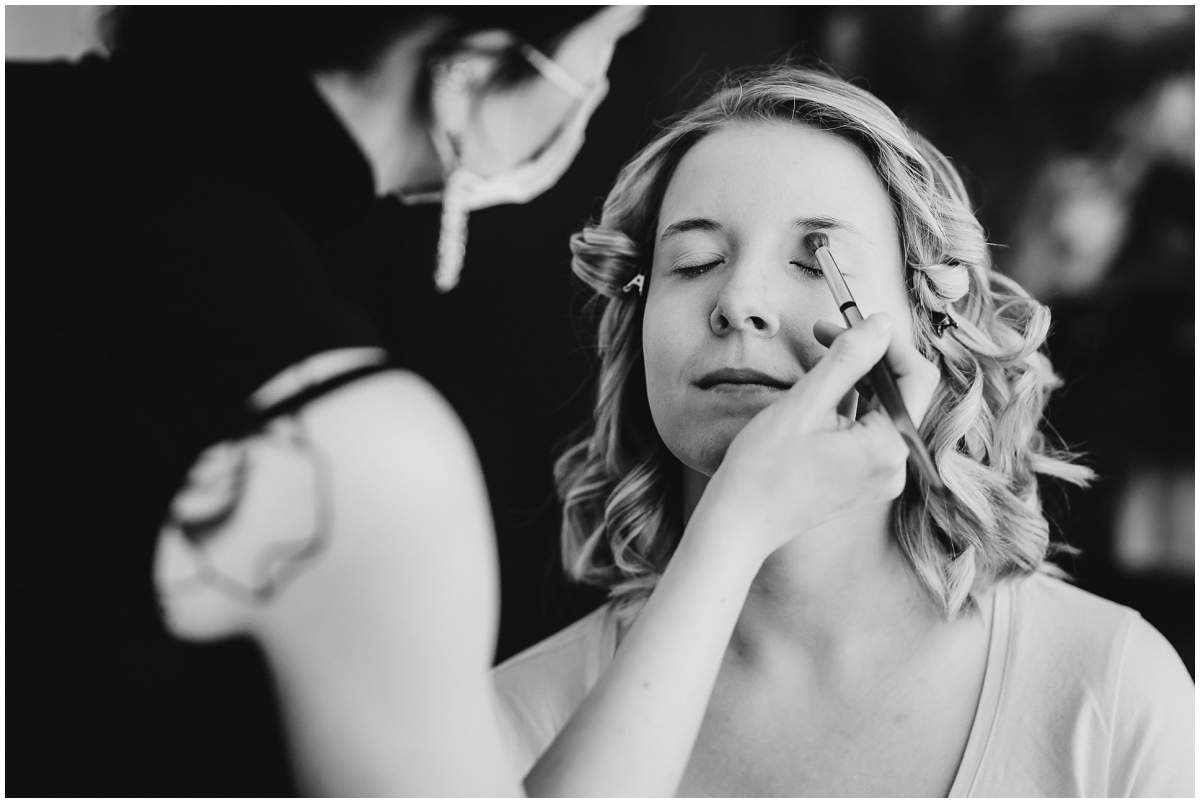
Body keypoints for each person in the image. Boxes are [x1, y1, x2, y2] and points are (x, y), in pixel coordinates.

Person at [492, 65, 1195, 796]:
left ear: (927, 332)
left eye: (814, 261)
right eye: (693, 262)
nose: (737, 301)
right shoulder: (513, 722)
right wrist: (733, 529)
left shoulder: (1108, 691)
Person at [5, 6, 642, 796]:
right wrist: (735, 529)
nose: (596, 88)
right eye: (606, 41)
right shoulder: (350, 446)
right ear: (465, 69)